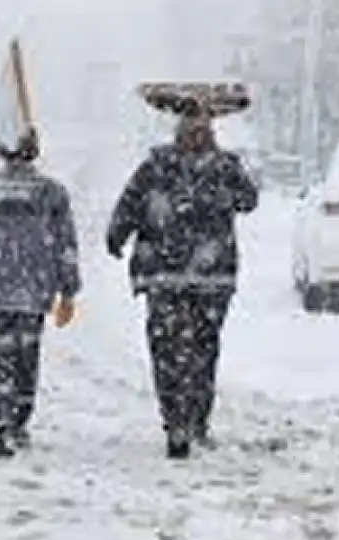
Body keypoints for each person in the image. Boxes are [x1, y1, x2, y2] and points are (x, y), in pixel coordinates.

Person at [104, 113, 259, 459]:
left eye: (199, 133)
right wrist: (117, 233)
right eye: (194, 132)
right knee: (197, 351)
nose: (195, 138)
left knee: (172, 351)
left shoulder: (163, 167)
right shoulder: (208, 167)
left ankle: (181, 419)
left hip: (173, 274)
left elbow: (248, 200)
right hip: (203, 276)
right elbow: (248, 199)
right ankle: (187, 419)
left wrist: (118, 234)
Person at [0, 127, 82, 459]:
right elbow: (66, 244)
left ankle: (1, 421)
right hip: (33, 288)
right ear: (34, 153)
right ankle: (19, 419)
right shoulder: (51, 192)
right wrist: (68, 290)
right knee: (25, 357)